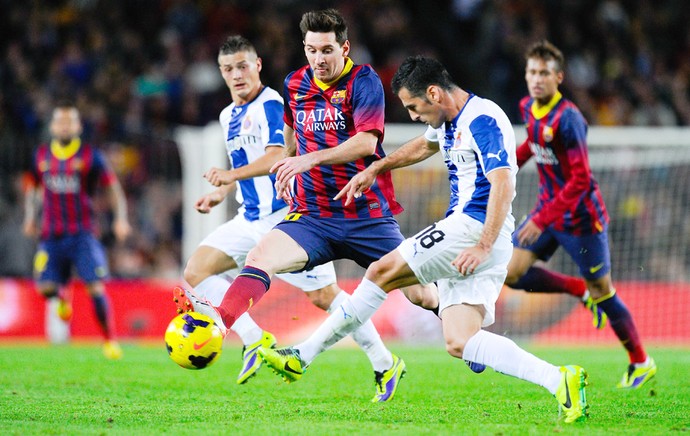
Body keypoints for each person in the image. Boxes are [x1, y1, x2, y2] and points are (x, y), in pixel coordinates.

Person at [259, 56, 590, 423]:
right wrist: (377, 167)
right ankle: (559, 379)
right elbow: (423, 145)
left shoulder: (482, 118)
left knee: (382, 272)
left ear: (434, 93)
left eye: (415, 107)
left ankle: (302, 356)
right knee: (460, 341)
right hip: (478, 236)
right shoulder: (449, 120)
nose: (415, 116)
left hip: (473, 228)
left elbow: (503, 181)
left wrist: (482, 244)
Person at [174, 35, 399, 390]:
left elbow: (277, 156)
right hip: (248, 217)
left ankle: (384, 362)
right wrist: (223, 190)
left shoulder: (271, 103)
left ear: (258, 65)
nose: (237, 75)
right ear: (220, 73)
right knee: (196, 270)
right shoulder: (227, 115)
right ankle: (253, 337)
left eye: (243, 66)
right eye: (228, 69)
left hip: (288, 220)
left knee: (325, 296)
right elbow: (246, 164)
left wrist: (230, 175)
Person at [504, 40, 656, 389]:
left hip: (582, 219)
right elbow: (532, 142)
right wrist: (508, 164)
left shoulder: (570, 120)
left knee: (603, 289)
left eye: (544, 73)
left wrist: (542, 219)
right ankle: (577, 290)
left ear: (559, 77)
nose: (536, 79)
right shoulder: (528, 106)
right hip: (548, 210)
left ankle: (641, 361)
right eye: (531, 72)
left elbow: (581, 179)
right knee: (510, 272)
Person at [23, 101, 130, 359]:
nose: (64, 126)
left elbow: (112, 187)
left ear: (78, 126)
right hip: (51, 236)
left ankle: (109, 340)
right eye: (60, 121)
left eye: (69, 122)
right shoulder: (41, 155)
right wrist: (29, 217)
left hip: (82, 234)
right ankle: (61, 296)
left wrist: (120, 218)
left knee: (95, 287)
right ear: (52, 126)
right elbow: (33, 188)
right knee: (44, 288)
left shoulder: (90, 156)